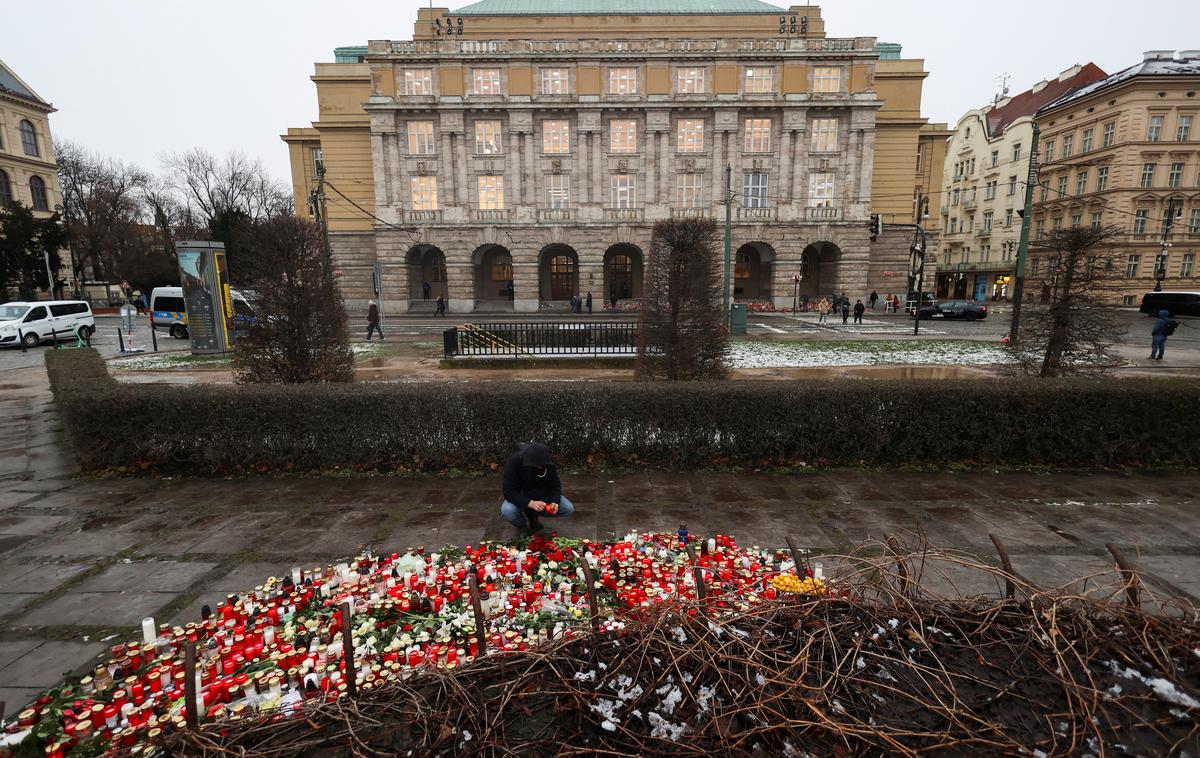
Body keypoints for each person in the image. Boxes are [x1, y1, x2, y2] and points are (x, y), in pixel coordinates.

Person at [500, 442, 575, 534]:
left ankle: (533, 516)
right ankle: (522, 525)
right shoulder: (514, 462)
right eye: (536, 465)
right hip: (521, 496)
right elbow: (509, 492)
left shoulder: (548, 461)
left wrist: (554, 502)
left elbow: (555, 485)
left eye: (542, 465)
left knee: (568, 508)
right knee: (507, 511)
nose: (540, 467)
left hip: (542, 495)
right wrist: (530, 503)